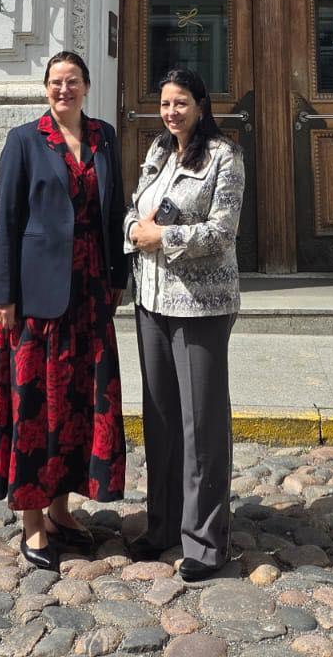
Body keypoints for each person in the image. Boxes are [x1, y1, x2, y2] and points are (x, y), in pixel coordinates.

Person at [0, 49, 129, 571]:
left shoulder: (104, 136)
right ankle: (33, 523)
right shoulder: (24, 140)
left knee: (78, 406)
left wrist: (119, 278)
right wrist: (4, 294)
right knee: (36, 410)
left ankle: (63, 511)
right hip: (38, 301)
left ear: (87, 86)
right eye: (54, 82)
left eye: (72, 81)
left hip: (90, 296)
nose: (63, 89)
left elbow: (115, 209)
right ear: (45, 89)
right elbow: (7, 219)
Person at [125, 66, 244, 582]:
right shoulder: (157, 152)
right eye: (165, 103)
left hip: (200, 305)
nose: (171, 112)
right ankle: (164, 525)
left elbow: (223, 231)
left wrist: (162, 240)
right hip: (150, 300)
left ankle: (205, 542)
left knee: (202, 426)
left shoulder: (225, 156)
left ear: (201, 105)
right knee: (162, 421)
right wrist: (133, 228)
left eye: (181, 103)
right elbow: (135, 208)